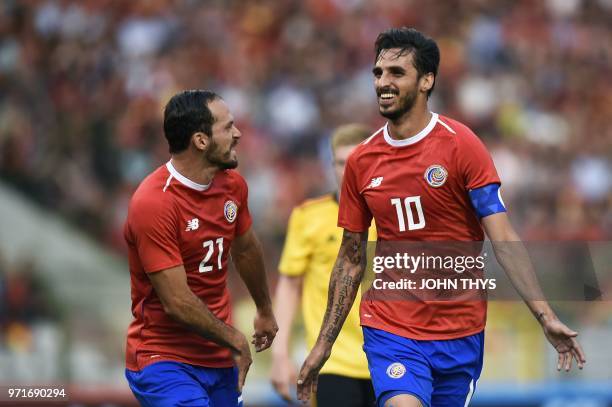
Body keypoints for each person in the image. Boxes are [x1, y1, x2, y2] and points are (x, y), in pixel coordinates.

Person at [297, 28, 586, 407]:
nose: (383, 82)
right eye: (378, 73)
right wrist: (323, 344)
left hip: (460, 332)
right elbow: (351, 259)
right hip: (391, 326)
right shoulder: (361, 162)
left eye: (396, 73)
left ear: (426, 80)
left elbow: (503, 238)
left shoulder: (461, 145)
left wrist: (544, 314)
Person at [123, 90, 278, 407]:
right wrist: (234, 338)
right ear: (200, 140)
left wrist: (264, 309)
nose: (238, 134)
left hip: (218, 358)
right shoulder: (154, 202)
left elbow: (246, 249)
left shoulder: (233, 185)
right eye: (227, 127)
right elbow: (177, 303)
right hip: (163, 358)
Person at [270, 124, 376, 406]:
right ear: (332, 166)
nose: (350, 171)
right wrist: (280, 354)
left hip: (388, 358)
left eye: (359, 163)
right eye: (342, 163)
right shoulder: (308, 217)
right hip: (333, 361)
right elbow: (289, 286)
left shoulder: (394, 218)